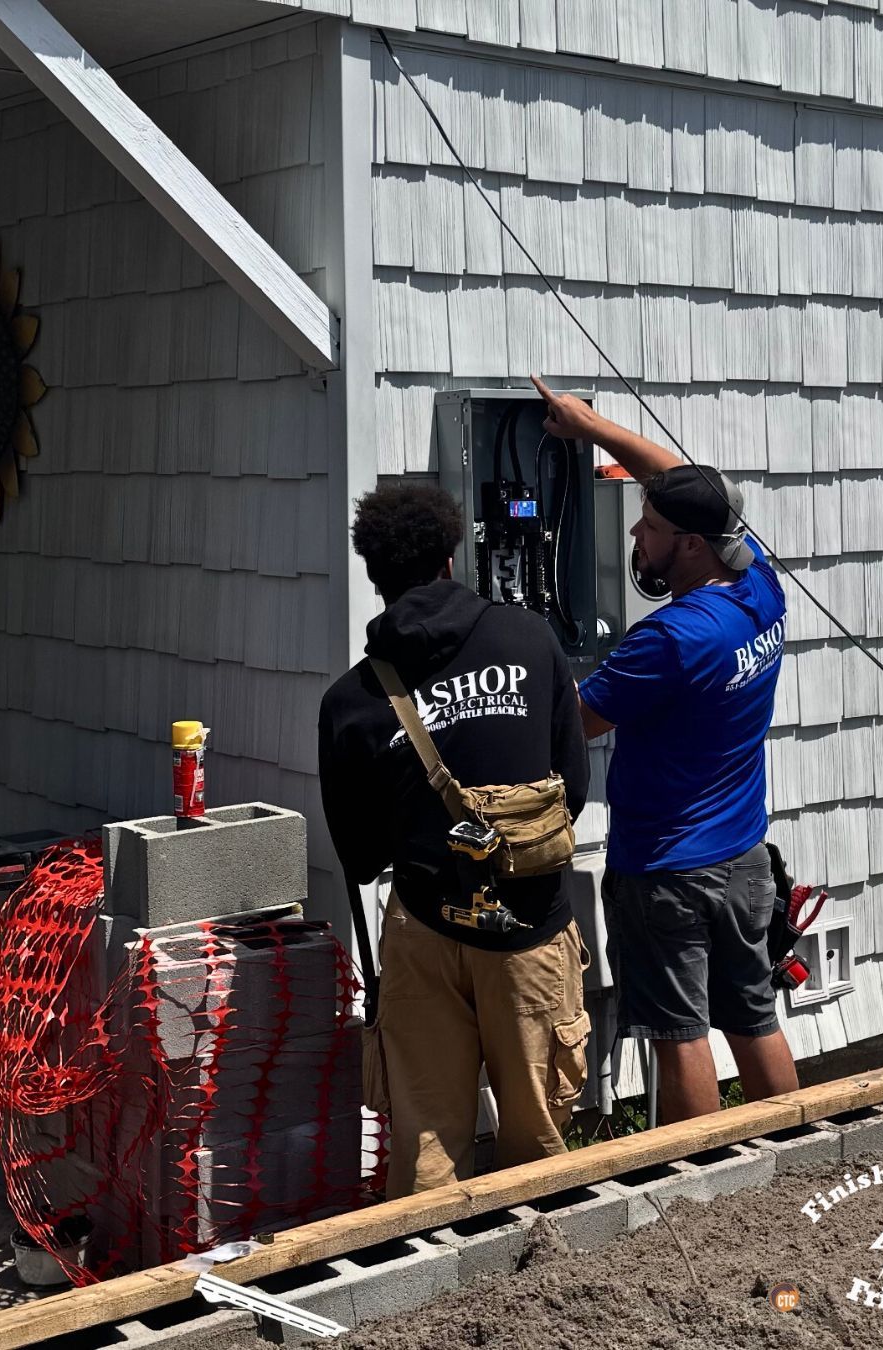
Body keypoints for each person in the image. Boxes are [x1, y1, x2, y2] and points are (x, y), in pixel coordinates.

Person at [531, 376, 799, 1123]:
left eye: (645, 526)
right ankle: (794, 1153)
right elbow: (678, 481)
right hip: (743, 859)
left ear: (686, 543)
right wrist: (591, 427)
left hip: (666, 872)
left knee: (681, 1037)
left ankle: (696, 1180)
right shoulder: (761, 593)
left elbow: (572, 723)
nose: (632, 535)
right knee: (753, 1017)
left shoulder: (671, 640)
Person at [317, 482, 590, 1197]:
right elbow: (576, 791)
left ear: (373, 575)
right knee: (538, 1146)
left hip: (426, 932)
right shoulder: (532, 640)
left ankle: (430, 1295)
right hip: (529, 931)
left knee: (426, 1157)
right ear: (450, 557)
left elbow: (360, 853)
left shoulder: (352, 702)